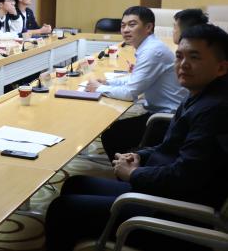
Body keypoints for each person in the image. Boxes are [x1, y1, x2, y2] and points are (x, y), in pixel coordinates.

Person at [45, 24, 228, 251]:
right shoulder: (200, 95)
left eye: (194, 57)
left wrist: (134, 174)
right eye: (179, 56)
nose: (183, 64)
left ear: (221, 68)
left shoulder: (215, 110)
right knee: (75, 183)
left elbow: (185, 177)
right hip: (165, 195)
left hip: (174, 215)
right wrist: (140, 156)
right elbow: (170, 147)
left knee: (62, 209)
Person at [86, 6, 188, 159]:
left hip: (168, 119)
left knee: (112, 136)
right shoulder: (149, 46)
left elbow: (130, 93)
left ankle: (131, 171)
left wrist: (99, 88)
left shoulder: (152, 51)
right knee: (116, 129)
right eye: (123, 25)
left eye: (132, 25)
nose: (125, 30)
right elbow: (136, 78)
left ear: (148, 27)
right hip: (164, 112)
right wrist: (108, 83)